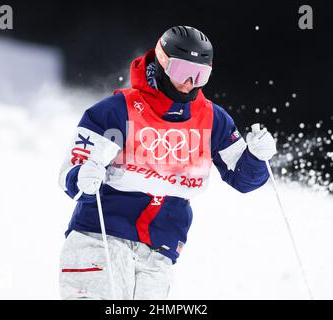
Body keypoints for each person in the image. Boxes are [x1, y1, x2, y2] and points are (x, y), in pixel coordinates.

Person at [58, 26, 277, 300]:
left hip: (158, 253)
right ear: (161, 62)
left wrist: (256, 157)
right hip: (100, 239)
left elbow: (244, 180)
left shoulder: (212, 120)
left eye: (201, 75)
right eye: (181, 71)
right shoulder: (116, 111)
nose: (189, 82)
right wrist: (81, 178)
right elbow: (73, 175)